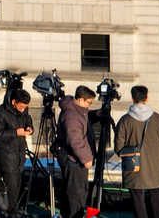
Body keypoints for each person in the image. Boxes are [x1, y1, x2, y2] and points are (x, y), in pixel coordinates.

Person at [114, 86, 159, 218]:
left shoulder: (125, 120)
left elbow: (118, 147)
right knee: (158, 198)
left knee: (137, 200)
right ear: (147, 98)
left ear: (132, 99)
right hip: (154, 166)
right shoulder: (157, 118)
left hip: (133, 166)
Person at [56, 86, 102, 218]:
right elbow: (74, 141)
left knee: (74, 194)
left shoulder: (77, 111)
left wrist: (98, 114)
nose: (89, 105)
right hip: (74, 161)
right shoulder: (72, 116)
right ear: (81, 100)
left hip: (75, 161)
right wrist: (86, 158)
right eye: (88, 102)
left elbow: (85, 120)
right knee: (76, 195)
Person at [0, 89, 34, 213]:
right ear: (13, 102)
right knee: (10, 189)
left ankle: (13, 211)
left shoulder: (23, 110)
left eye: (24, 107)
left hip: (19, 155)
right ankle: (11, 213)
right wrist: (16, 133)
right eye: (20, 107)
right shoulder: (0, 113)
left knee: (16, 187)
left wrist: (29, 127)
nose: (22, 109)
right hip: (7, 156)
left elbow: (27, 119)